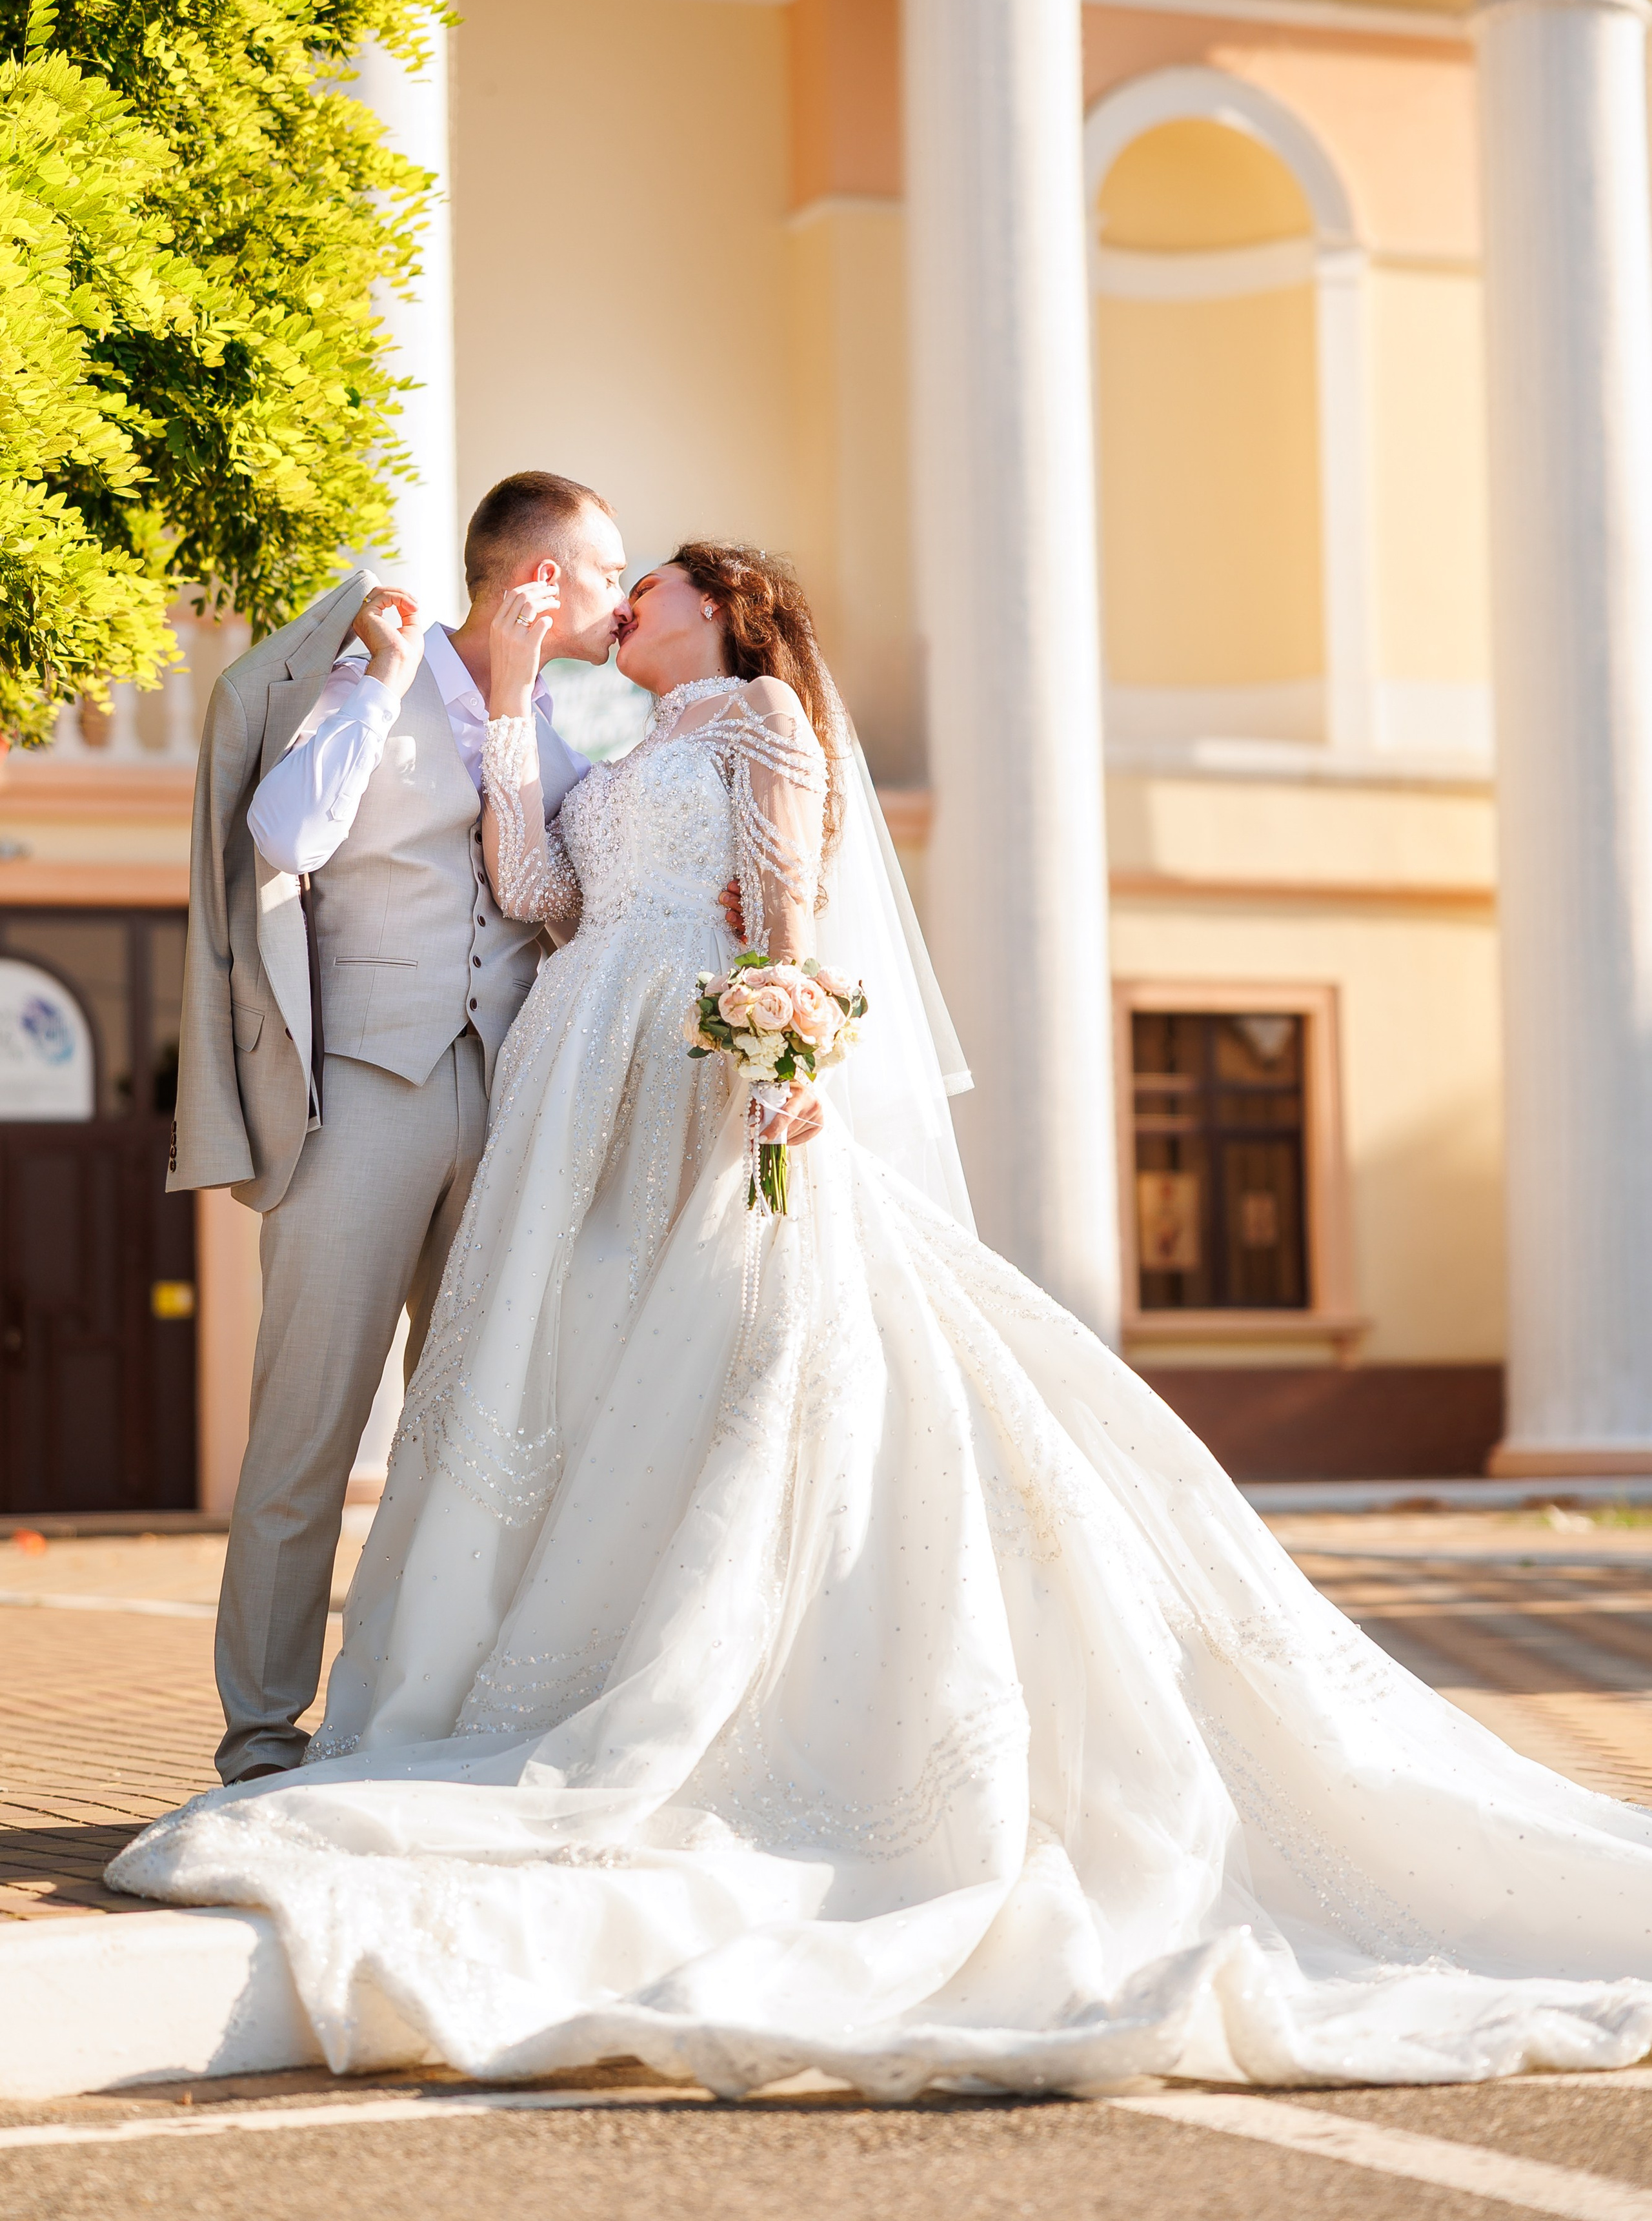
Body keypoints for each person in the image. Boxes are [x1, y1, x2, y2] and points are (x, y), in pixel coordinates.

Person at [121, 542, 1652, 2096]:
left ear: (718, 609)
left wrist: (780, 1051)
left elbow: (788, 915)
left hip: (697, 1075)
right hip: (581, 1089)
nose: (622, 604)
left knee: (738, 1366)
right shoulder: (614, 743)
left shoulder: (761, 726)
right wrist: (508, 713)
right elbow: (534, 891)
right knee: (586, 1385)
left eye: (645, 586)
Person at [170, 469, 627, 1783]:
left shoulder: (561, 724)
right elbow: (289, 831)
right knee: (309, 1427)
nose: (616, 583)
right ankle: (261, 1731)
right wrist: (372, 687)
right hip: (359, 1096)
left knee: (473, 1429)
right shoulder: (373, 666)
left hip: (507, 1105)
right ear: (534, 578)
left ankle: (416, 1719)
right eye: (604, 566)